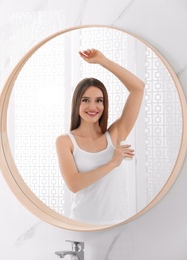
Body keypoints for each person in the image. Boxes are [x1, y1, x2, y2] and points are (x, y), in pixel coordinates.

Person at [56, 48, 145, 225]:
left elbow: (138, 88)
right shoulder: (65, 141)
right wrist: (112, 163)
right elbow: (74, 184)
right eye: (85, 100)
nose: (93, 106)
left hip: (117, 224)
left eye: (99, 100)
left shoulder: (115, 134)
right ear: (77, 104)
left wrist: (103, 61)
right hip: (81, 225)